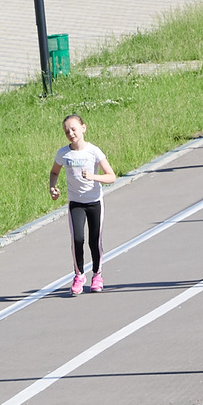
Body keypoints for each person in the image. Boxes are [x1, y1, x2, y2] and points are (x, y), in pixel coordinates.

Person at [45, 113, 118, 294]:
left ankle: (97, 275)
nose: (71, 133)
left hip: (94, 202)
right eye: (67, 131)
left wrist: (94, 177)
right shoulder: (63, 153)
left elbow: (111, 176)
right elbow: (54, 173)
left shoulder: (94, 151)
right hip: (76, 203)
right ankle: (79, 275)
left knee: (95, 240)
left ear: (83, 128)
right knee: (77, 239)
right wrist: (52, 188)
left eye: (74, 129)